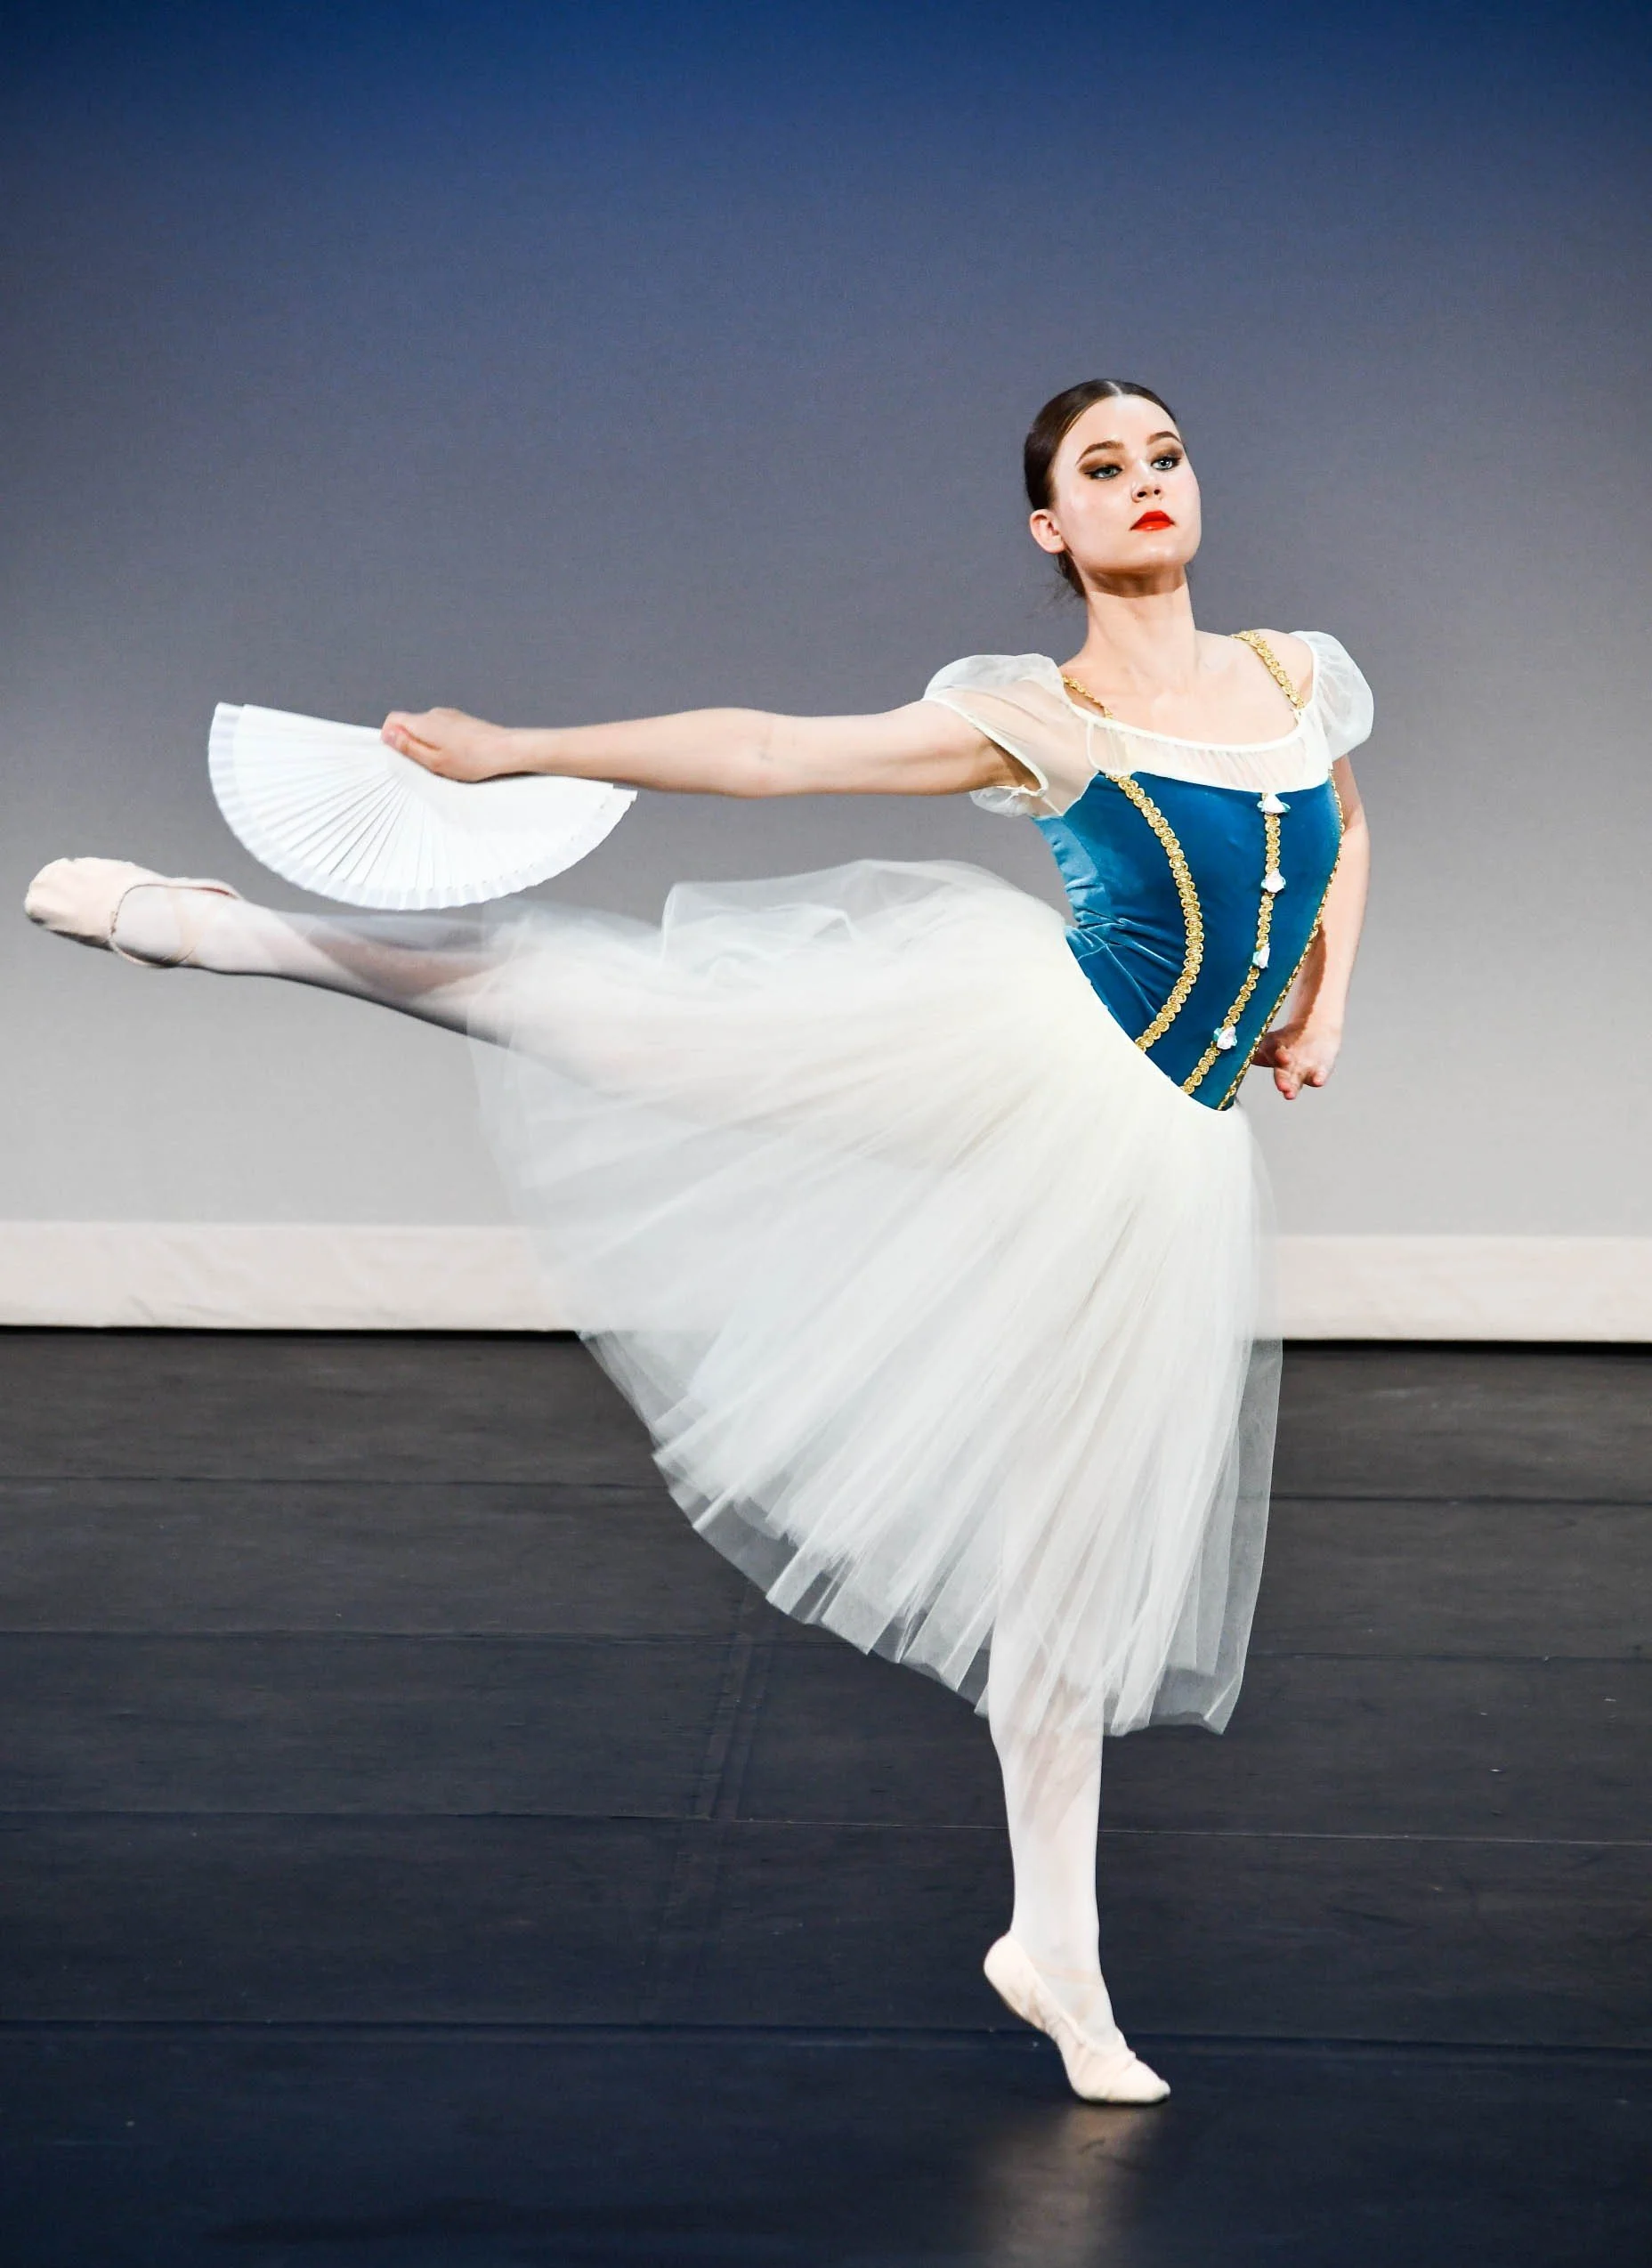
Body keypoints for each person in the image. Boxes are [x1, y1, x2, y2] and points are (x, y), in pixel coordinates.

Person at [24, 379, 1372, 2103]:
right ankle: (229, 935)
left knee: (1067, 1564)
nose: (1144, 485)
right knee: (621, 1015)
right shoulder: (1044, 715)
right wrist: (525, 748)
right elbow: (765, 750)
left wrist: (1329, 998)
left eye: (1162, 455)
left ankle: (1059, 1951)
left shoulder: (1287, 670)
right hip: (1021, 1062)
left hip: (1168, 1162)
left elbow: (1339, 814)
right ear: (1052, 529)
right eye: (1100, 471)